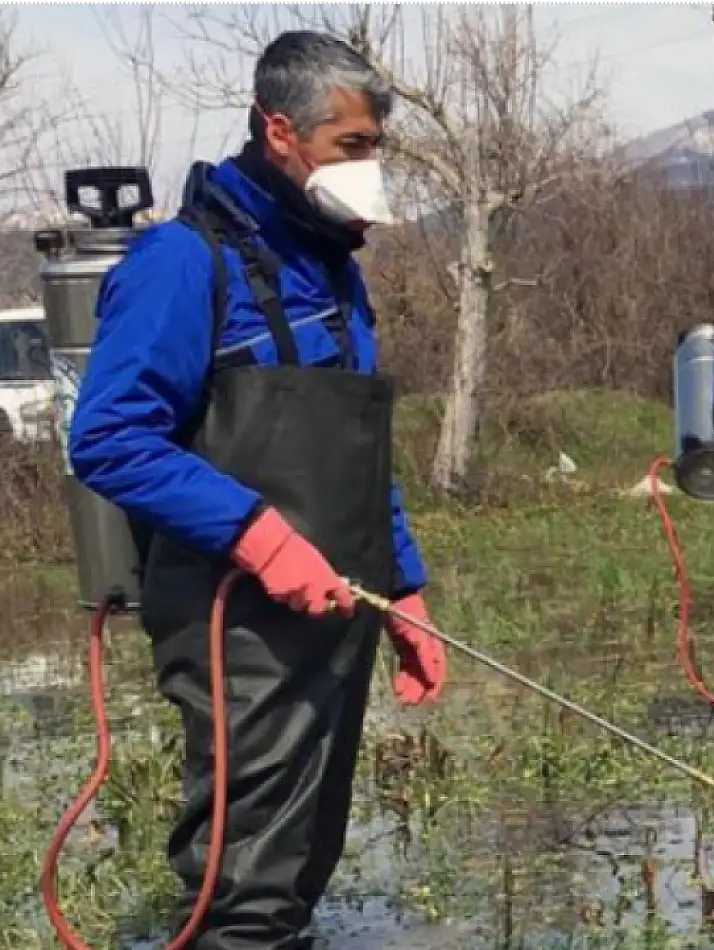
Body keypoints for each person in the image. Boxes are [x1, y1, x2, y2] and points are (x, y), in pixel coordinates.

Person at [66, 31, 446, 949]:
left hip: (337, 607)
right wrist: (262, 537)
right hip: (236, 617)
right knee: (245, 890)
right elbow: (109, 439)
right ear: (282, 131)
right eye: (352, 146)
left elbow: (356, 443)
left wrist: (402, 585)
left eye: (375, 148)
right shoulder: (182, 264)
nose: (369, 167)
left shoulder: (332, 268)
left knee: (298, 868)